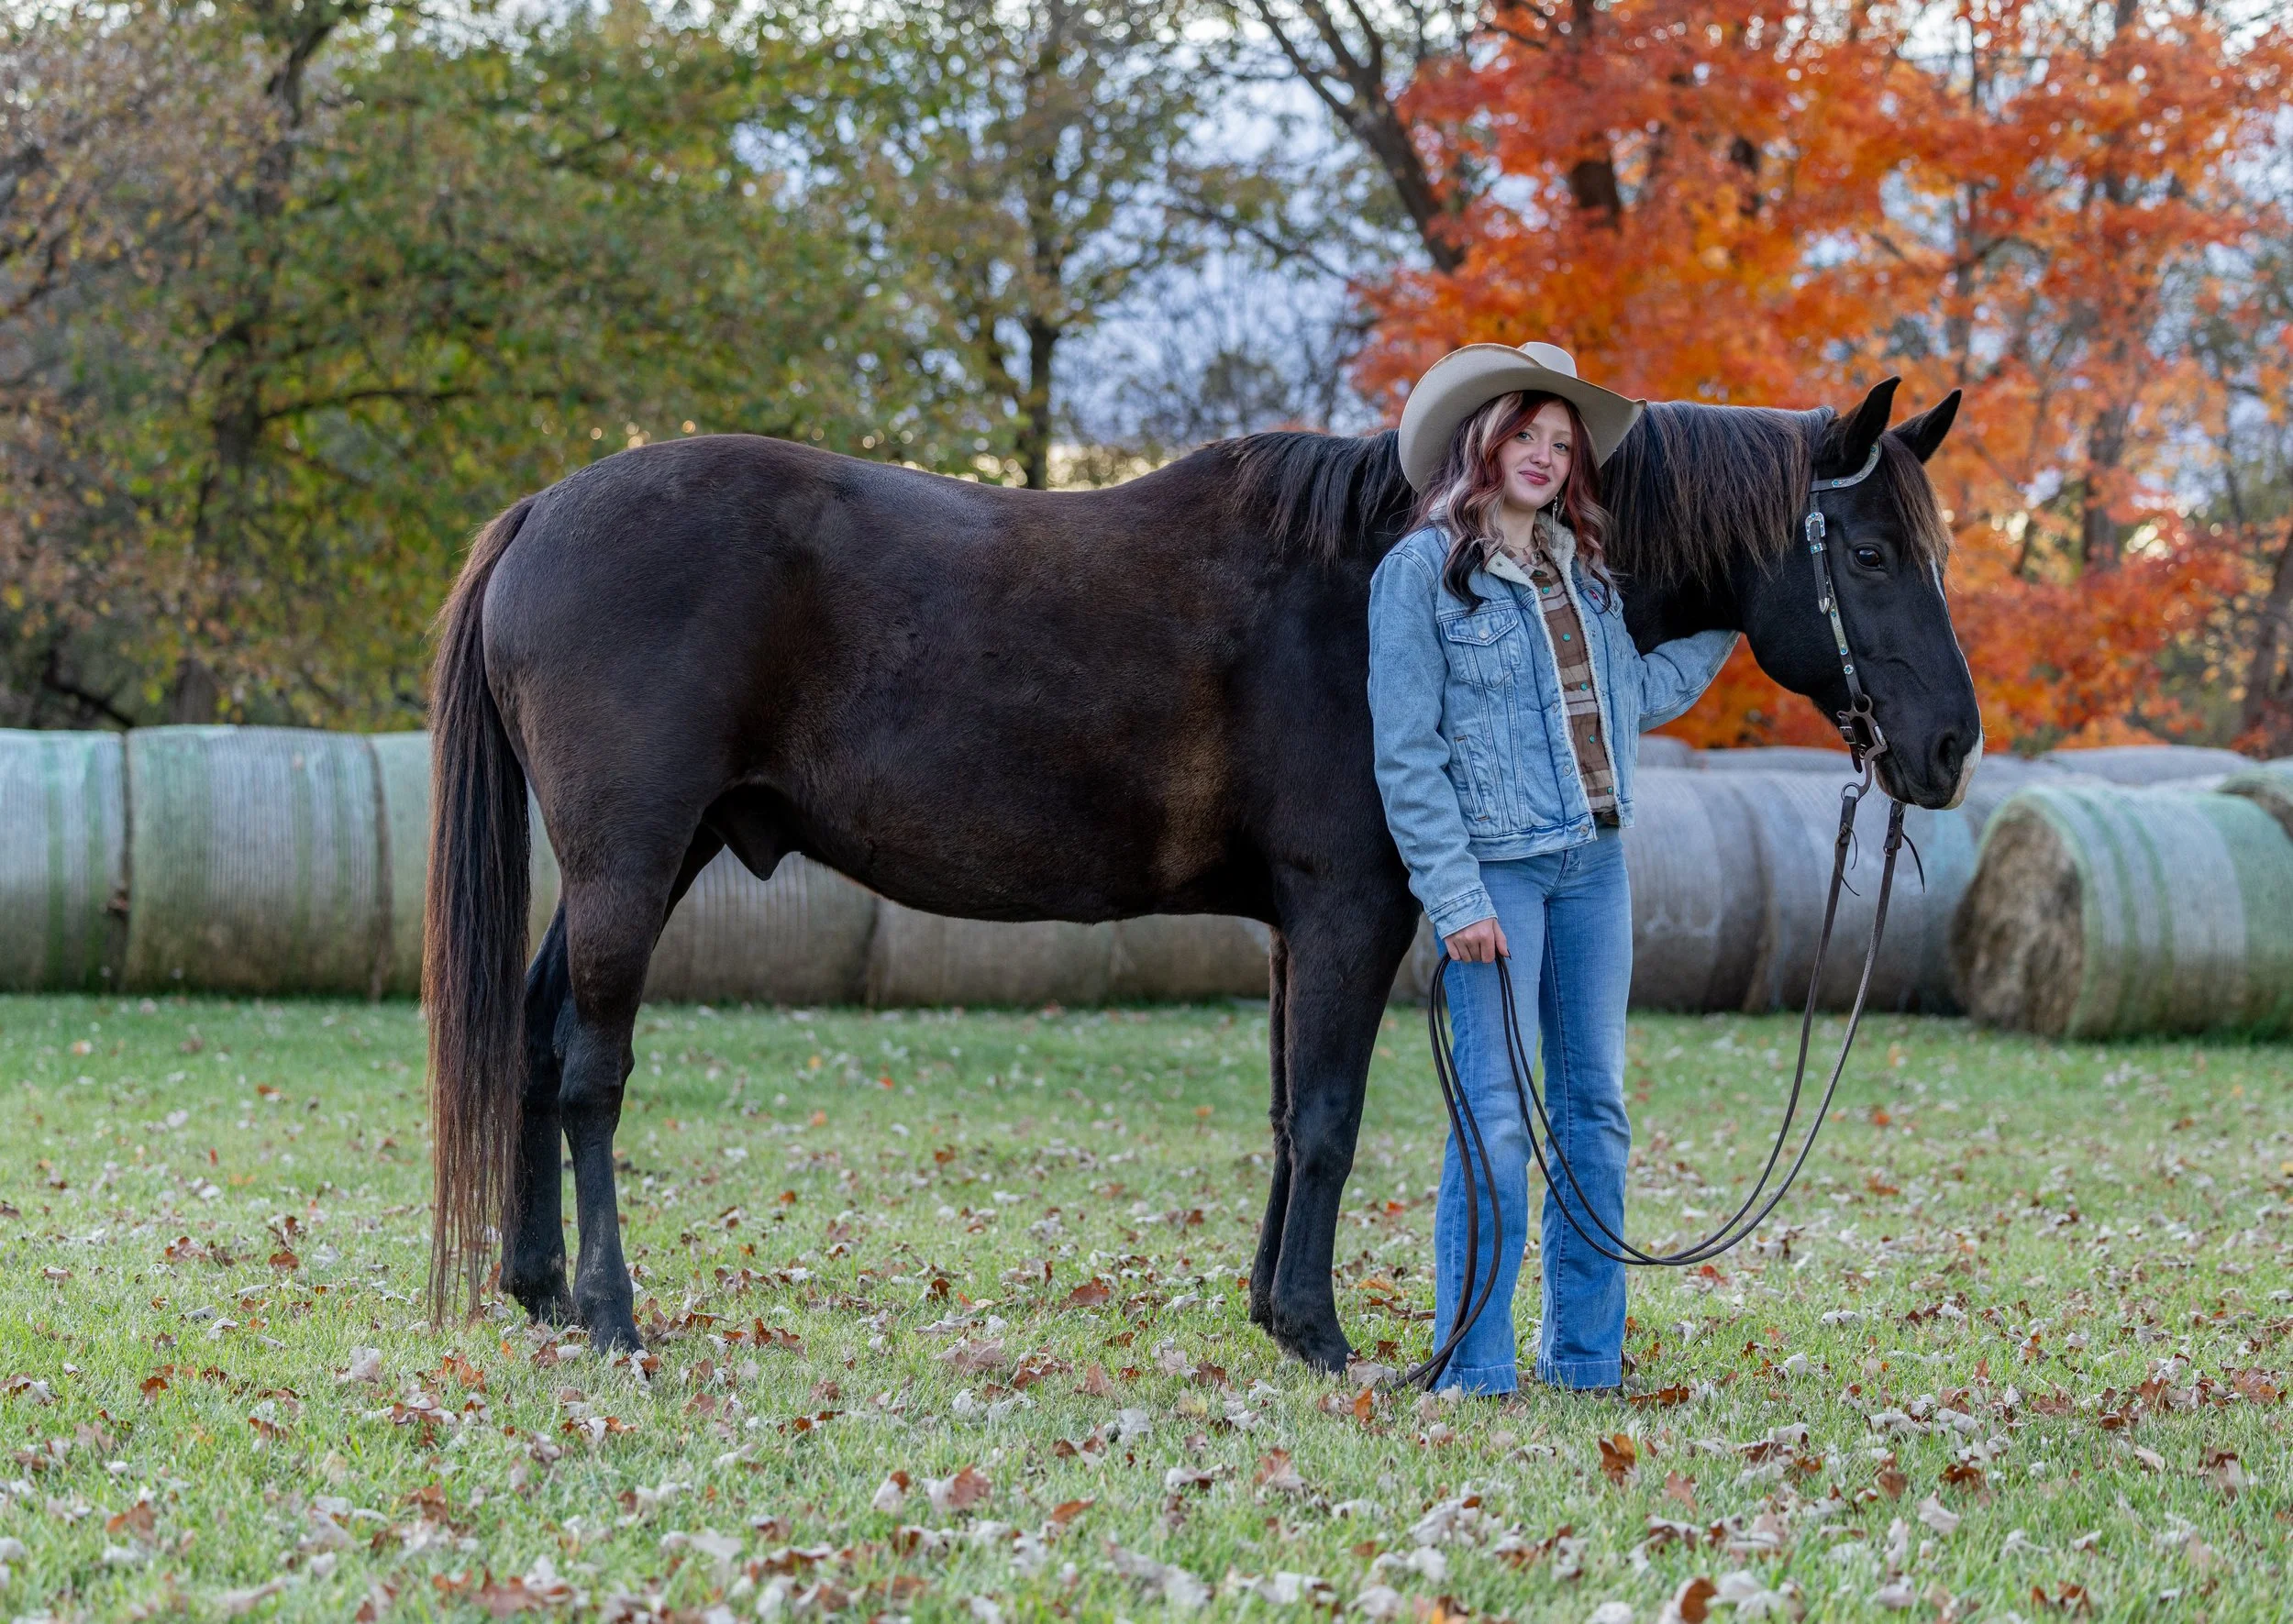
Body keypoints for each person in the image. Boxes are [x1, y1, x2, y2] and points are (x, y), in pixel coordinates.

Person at [1367, 341, 1736, 1395]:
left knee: (1595, 1115)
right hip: (1498, 874)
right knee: (1492, 1122)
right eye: (1523, 433)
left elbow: (1638, 695)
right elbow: (1407, 751)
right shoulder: (1420, 575)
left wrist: (1733, 620)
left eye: (1559, 441)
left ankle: (1583, 1358)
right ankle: (1474, 1367)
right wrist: (1455, 895)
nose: (1541, 453)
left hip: (1595, 868)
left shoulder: (1585, 573)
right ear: (1479, 441)